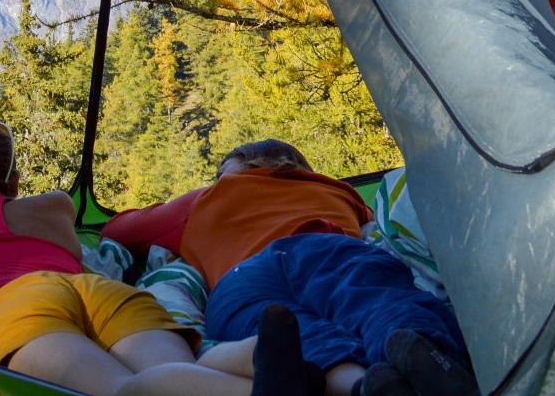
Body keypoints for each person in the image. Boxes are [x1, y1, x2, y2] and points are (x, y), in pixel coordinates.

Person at [0, 120, 318, 396]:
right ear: (15, 178)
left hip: (10, 308)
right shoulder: (54, 205)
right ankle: (259, 358)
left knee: (124, 390)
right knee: (190, 373)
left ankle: (262, 378)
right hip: (98, 291)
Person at [102, 140, 477, 396]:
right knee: (374, 299)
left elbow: (118, 228)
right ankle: (426, 353)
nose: (217, 181)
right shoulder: (337, 191)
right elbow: (375, 228)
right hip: (328, 249)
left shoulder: (206, 200)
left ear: (247, 165)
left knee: (288, 341)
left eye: (221, 172)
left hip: (240, 283)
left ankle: (359, 387)